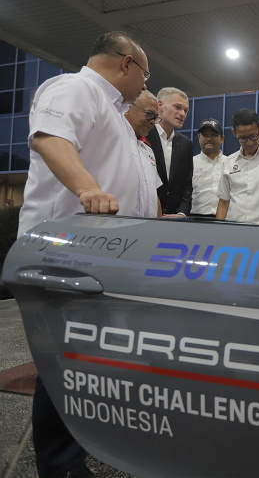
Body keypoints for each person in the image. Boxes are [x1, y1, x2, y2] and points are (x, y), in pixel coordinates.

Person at [18, 30, 153, 478]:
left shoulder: (116, 113)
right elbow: (51, 139)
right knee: (65, 360)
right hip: (64, 250)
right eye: (146, 74)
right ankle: (60, 466)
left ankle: (81, 447)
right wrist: (88, 189)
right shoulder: (74, 87)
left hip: (104, 252)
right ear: (127, 62)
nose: (145, 84)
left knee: (91, 359)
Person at [145, 86, 193, 216]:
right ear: (160, 105)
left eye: (185, 110)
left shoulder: (186, 144)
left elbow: (187, 184)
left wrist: (182, 213)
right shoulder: (144, 136)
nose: (182, 114)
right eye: (177, 107)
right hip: (148, 214)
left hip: (175, 218)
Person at [124, 89, 163, 217]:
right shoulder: (113, 142)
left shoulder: (148, 150)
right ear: (128, 108)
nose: (152, 121)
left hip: (148, 226)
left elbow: (153, 193)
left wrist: (159, 224)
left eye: (155, 117)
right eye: (149, 114)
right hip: (118, 223)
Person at [190, 118, 226, 217]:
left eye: (213, 135)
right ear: (199, 137)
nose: (209, 139)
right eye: (204, 135)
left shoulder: (230, 163)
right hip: (195, 218)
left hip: (225, 218)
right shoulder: (190, 163)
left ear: (222, 138)